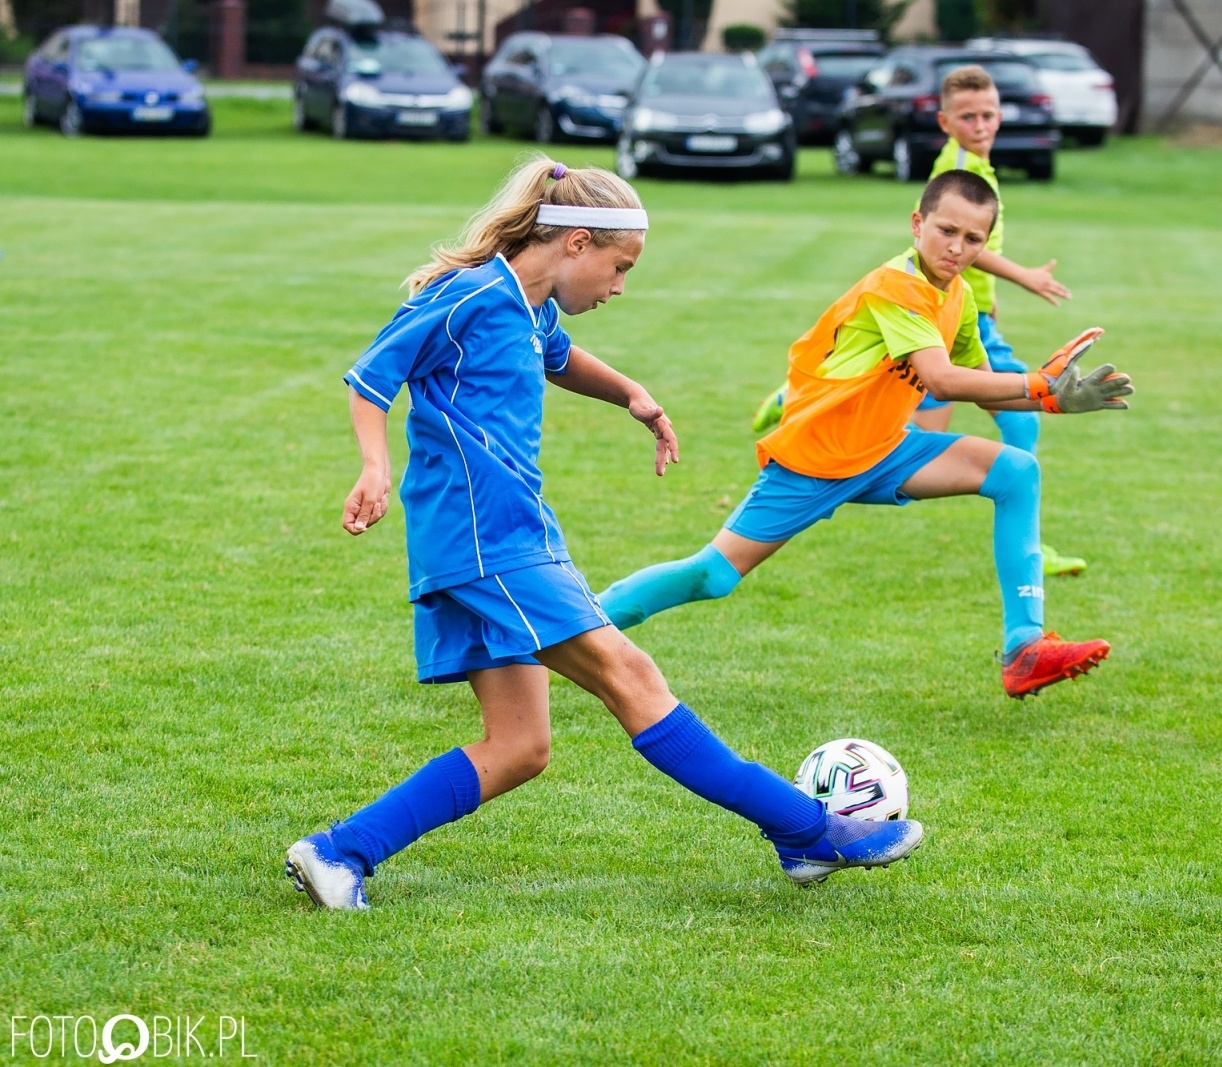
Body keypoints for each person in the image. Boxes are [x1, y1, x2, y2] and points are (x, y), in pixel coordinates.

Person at [285, 160, 923, 910]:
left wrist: (631, 394)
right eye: (618, 269)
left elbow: (559, 358)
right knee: (634, 677)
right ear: (576, 243)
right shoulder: (471, 295)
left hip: (508, 536)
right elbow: (372, 376)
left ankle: (339, 851)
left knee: (520, 747)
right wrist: (373, 467)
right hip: (486, 542)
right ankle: (807, 830)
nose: (618, 287)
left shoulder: (528, 306)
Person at [600, 170, 1133, 700]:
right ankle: (570, 627)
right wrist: (1040, 381)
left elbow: (979, 389)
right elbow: (940, 379)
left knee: (1016, 472)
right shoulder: (896, 287)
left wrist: (1055, 400)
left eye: (973, 239)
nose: (957, 247)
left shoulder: (958, 296)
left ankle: (1024, 649)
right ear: (917, 222)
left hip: (885, 448)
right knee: (711, 577)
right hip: (817, 458)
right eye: (947, 230)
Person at [753, 65, 1088, 577]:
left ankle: (810, 390)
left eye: (989, 114)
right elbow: (953, 244)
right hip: (933, 316)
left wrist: (1051, 389)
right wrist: (1022, 279)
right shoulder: (958, 175)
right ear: (945, 121)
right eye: (969, 116)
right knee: (972, 410)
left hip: (960, 316)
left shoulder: (974, 166)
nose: (982, 125)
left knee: (951, 421)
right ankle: (811, 393)